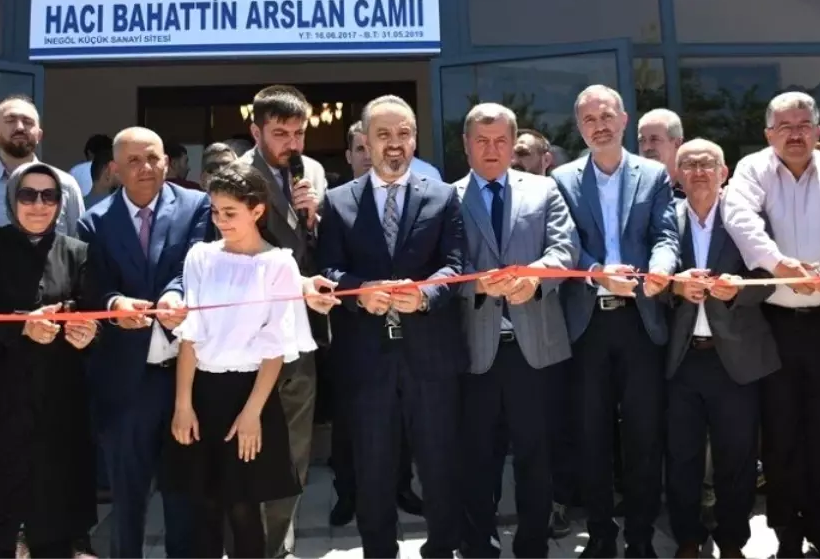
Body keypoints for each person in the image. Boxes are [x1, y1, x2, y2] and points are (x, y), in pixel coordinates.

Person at [318, 95, 466, 559]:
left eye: (404, 134)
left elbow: (457, 266)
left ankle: (441, 549)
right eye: (383, 135)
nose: (395, 144)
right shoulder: (337, 202)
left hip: (431, 359)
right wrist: (359, 291)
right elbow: (328, 270)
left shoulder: (443, 197)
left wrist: (426, 294)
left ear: (415, 138)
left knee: (440, 466)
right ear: (365, 140)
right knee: (374, 471)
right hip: (366, 360)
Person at [722, 91, 820, 559]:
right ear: (769, 134)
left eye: (804, 124)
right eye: (784, 126)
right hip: (775, 321)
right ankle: (786, 531)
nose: (795, 133)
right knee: (780, 432)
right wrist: (780, 266)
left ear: (818, 131)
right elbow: (740, 219)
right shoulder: (753, 169)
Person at [551, 84, 679, 559]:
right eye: (588, 120)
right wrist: (595, 273)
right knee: (591, 435)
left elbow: (665, 233)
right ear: (579, 128)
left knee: (643, 435)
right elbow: (562, 245)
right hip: (587, 325)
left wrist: (660, 269)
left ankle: (641, 538)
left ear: (625, 119)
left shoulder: (652, 175)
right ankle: (602, 536)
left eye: (606, 116)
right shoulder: (562, 179)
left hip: (640, 321)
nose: (599, 126)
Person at [0, 162, 101, 559]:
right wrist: (22, 326)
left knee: (54, 524)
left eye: (49, 196)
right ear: (10, 199)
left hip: (56, 405)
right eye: (27, 195)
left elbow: (93, 312)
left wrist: (87, 334)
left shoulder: (77, 251)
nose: (38, 205)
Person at [163, 163, 313, 559]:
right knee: (204, 506)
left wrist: (252, 414)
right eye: (215, 212)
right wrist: (183, 404)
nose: (220, 221)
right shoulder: (200, 256)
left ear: (257, 211)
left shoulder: (279, 263)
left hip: (251, 394)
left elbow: (274, 346)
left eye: (230, 213)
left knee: (244, 508)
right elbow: (190, 334)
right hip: (201, 391)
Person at [77, 127, 211, 559]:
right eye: (133, 161)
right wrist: (115, 303)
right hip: (125, 381)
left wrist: (175, 293)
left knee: (185, 497)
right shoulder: (93, 220)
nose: (146, 168)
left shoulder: (196, 207)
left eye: (153, 158)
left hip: (185, 377)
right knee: (128, 498)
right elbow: (91, 288)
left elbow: (197, 265)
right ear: (114, 169)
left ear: (167, 162)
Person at [454, 103, 576, 559]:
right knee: (477, 459)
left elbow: (566, 248)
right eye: (481, 141)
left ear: (513, 143)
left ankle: (532, 545)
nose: (492, 149)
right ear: (466, 145)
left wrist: (536, 277)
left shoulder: (545, 190)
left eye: (500, 140)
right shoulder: (449, 196)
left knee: (536, 457)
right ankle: (479, 545)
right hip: (476, 350)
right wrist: (476, 284)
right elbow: (446, 264)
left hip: (536, 349)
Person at [665, 139, 780, 559]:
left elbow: (771, 277)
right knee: (682, 457)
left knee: (738, 457)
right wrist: (674, 286)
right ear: (676, 175)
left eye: (707, 164)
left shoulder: (746, 217)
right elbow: (650, 282)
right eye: (689, 165)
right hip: (681, 358)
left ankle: (733, 539)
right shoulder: (663, 219)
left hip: (735, 359)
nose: (698, 171)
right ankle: (688, 538)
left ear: (724, 171)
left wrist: (738, 292)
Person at [237, 85, 328, 559]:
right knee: (250, 448)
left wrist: (312, 219)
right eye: (280, 133)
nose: (292, 144)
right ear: (256, 131)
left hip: (301, 335)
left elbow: (318, 248)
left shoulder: (310, 172)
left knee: (294, 448)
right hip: (249, 339)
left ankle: (278, 545)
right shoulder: (236, 176)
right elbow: (238, 251)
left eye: (299, 133)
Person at [0, 96, 84, 236]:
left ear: (39, 135)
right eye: (10, 121)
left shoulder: (66, 185)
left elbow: (78, 249)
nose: (20, 127)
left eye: (28, 122)